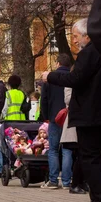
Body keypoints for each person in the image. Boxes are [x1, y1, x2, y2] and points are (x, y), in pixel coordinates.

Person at [42, 18, 101, 202]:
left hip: (89, 113)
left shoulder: (89, 52)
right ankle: (97, 200)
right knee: (97, 158)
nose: (75, 41)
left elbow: (76, 79)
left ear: (87, 35)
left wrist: (50, 76)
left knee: (89, 158)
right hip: (100, 112)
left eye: (77, 36)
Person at [40, 54, 73, 189]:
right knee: (67, 149)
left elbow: (44, 100)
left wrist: (45, 116)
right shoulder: (72, 77)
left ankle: (53, 181)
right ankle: (66, 181)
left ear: (58, 63)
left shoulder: (50, 79)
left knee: (53, 149)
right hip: (69, 118)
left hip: (54, 117)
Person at [60, 86, 87, 194]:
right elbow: (68, 100)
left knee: (83, 154)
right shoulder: (71, 83)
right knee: (78, 154)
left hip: (82, 122)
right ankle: (75, 183)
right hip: (75, 123)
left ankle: (81, 182)